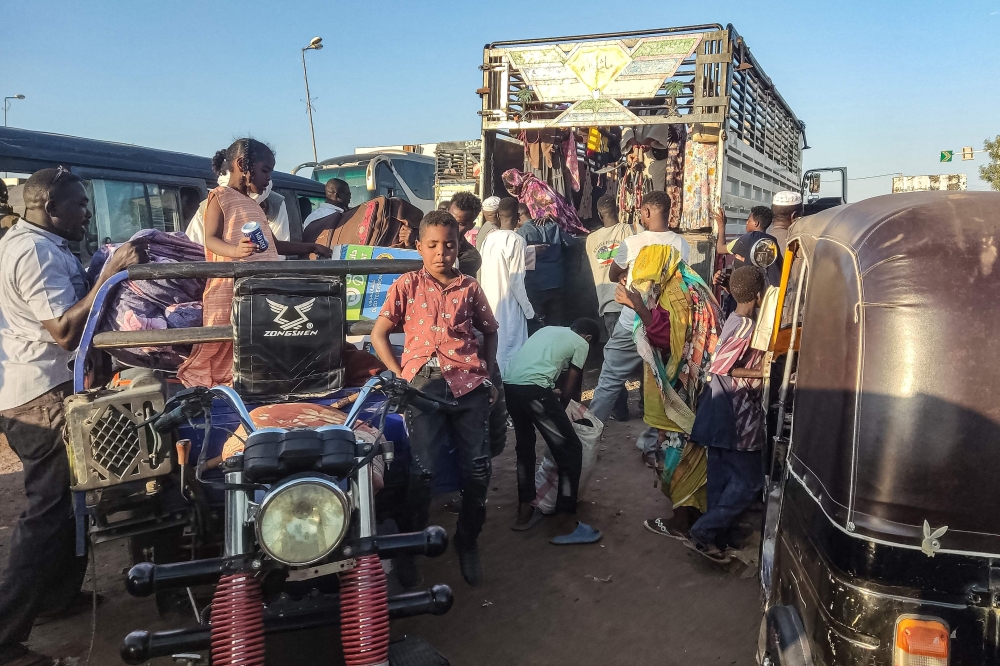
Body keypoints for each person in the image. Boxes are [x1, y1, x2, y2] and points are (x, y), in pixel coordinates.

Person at [0, 167, 148, 666]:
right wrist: (110, 275)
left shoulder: (44, 243)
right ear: (46, 207)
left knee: (66, 500)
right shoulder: (34, 252)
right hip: (40, 395)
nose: (87, 212)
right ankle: (6, 636)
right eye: (79, 205)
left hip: (45, 386)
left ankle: (57, 599)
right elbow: (64, 331)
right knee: (46, 511)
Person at [370, 210, 499, 587]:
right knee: (421, 472)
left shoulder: (469, 287)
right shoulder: (407, 284)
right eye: (433, 245)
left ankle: (468, 540)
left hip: (468, 386)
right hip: (422, 387)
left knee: (477, 470)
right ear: (419, 247)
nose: (442, 252)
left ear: (459, 247)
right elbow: (380, 334)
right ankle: (412, 548)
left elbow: (489, 331)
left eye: (449, 245)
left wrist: (487, 374)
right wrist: (399, 375)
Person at [177, 139, 331, 388]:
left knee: (254, 335)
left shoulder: (252, 204)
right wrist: (236, 251)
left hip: (258, 285)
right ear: (242, 165)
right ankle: (215, 383)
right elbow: (211, 239)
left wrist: (310, 247)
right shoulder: (220, 197)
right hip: (229, 285)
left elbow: (271, 243)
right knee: (222, 339)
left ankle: (248, 380)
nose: (268, 179)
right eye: (265, 170)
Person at [589, 190, 689, 460]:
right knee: (660, 384)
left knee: (609, 380)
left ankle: (588, 440)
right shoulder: (682, 245)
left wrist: (626, 274)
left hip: (630, 322)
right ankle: (651, 442)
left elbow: (612, 274)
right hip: (663, 325)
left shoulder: (633, 243)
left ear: (645, 213)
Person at [685, 266, 767, 563]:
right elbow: (721, 365)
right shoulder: (745, 325)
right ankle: (706, 531)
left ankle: (716, 535)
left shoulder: (735, 316)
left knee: (720, 478)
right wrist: (763, 372)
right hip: (735, 411)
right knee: (749, 480)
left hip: (717, 409)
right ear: (759, 295)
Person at [504, 319, 601, 531]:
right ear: (588, 338)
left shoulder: (548, 329)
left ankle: (524, 510)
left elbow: (535, 368)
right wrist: (562, 411)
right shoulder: (581, 343)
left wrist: (549, 394)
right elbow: (570, 387)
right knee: (571, 449)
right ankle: (565, 522)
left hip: (510, 386)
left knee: (525, 446)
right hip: (535, 392)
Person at [585, 194, 637, 421]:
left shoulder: (591, 239)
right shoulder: (628, 231)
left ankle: (620, 409)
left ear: (598, 214)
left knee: (613, 361)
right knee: (644, 352)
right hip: (629, 302)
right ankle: (646, 404)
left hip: (607, 303)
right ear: (618, 209)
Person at [480, 197, 534, 374]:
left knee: (495, 348)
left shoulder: (489, 239)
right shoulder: (517, 240)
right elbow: (516, 281)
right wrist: (529, 312)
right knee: (512, 349)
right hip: (510, 306)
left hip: (489, 304)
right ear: (518, 216)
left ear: (498, 215)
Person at [184, 163, 292, 248]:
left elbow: (276, 247)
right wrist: (236, 252)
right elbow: (197, 246)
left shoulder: (273, 205)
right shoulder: (211, 205)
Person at [714, 205, 782, 288]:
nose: (746, 223)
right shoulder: (771, 242)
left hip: (745, 290)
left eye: (749, 220)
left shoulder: (744, 240)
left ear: (756, 223)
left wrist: (721, 226)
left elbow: (720, 249)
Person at [449, 192, 483, 276]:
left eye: (460, 224)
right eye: (449, 218)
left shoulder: (471, 257)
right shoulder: (423, 239)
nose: (451, 226)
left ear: (471, 226)